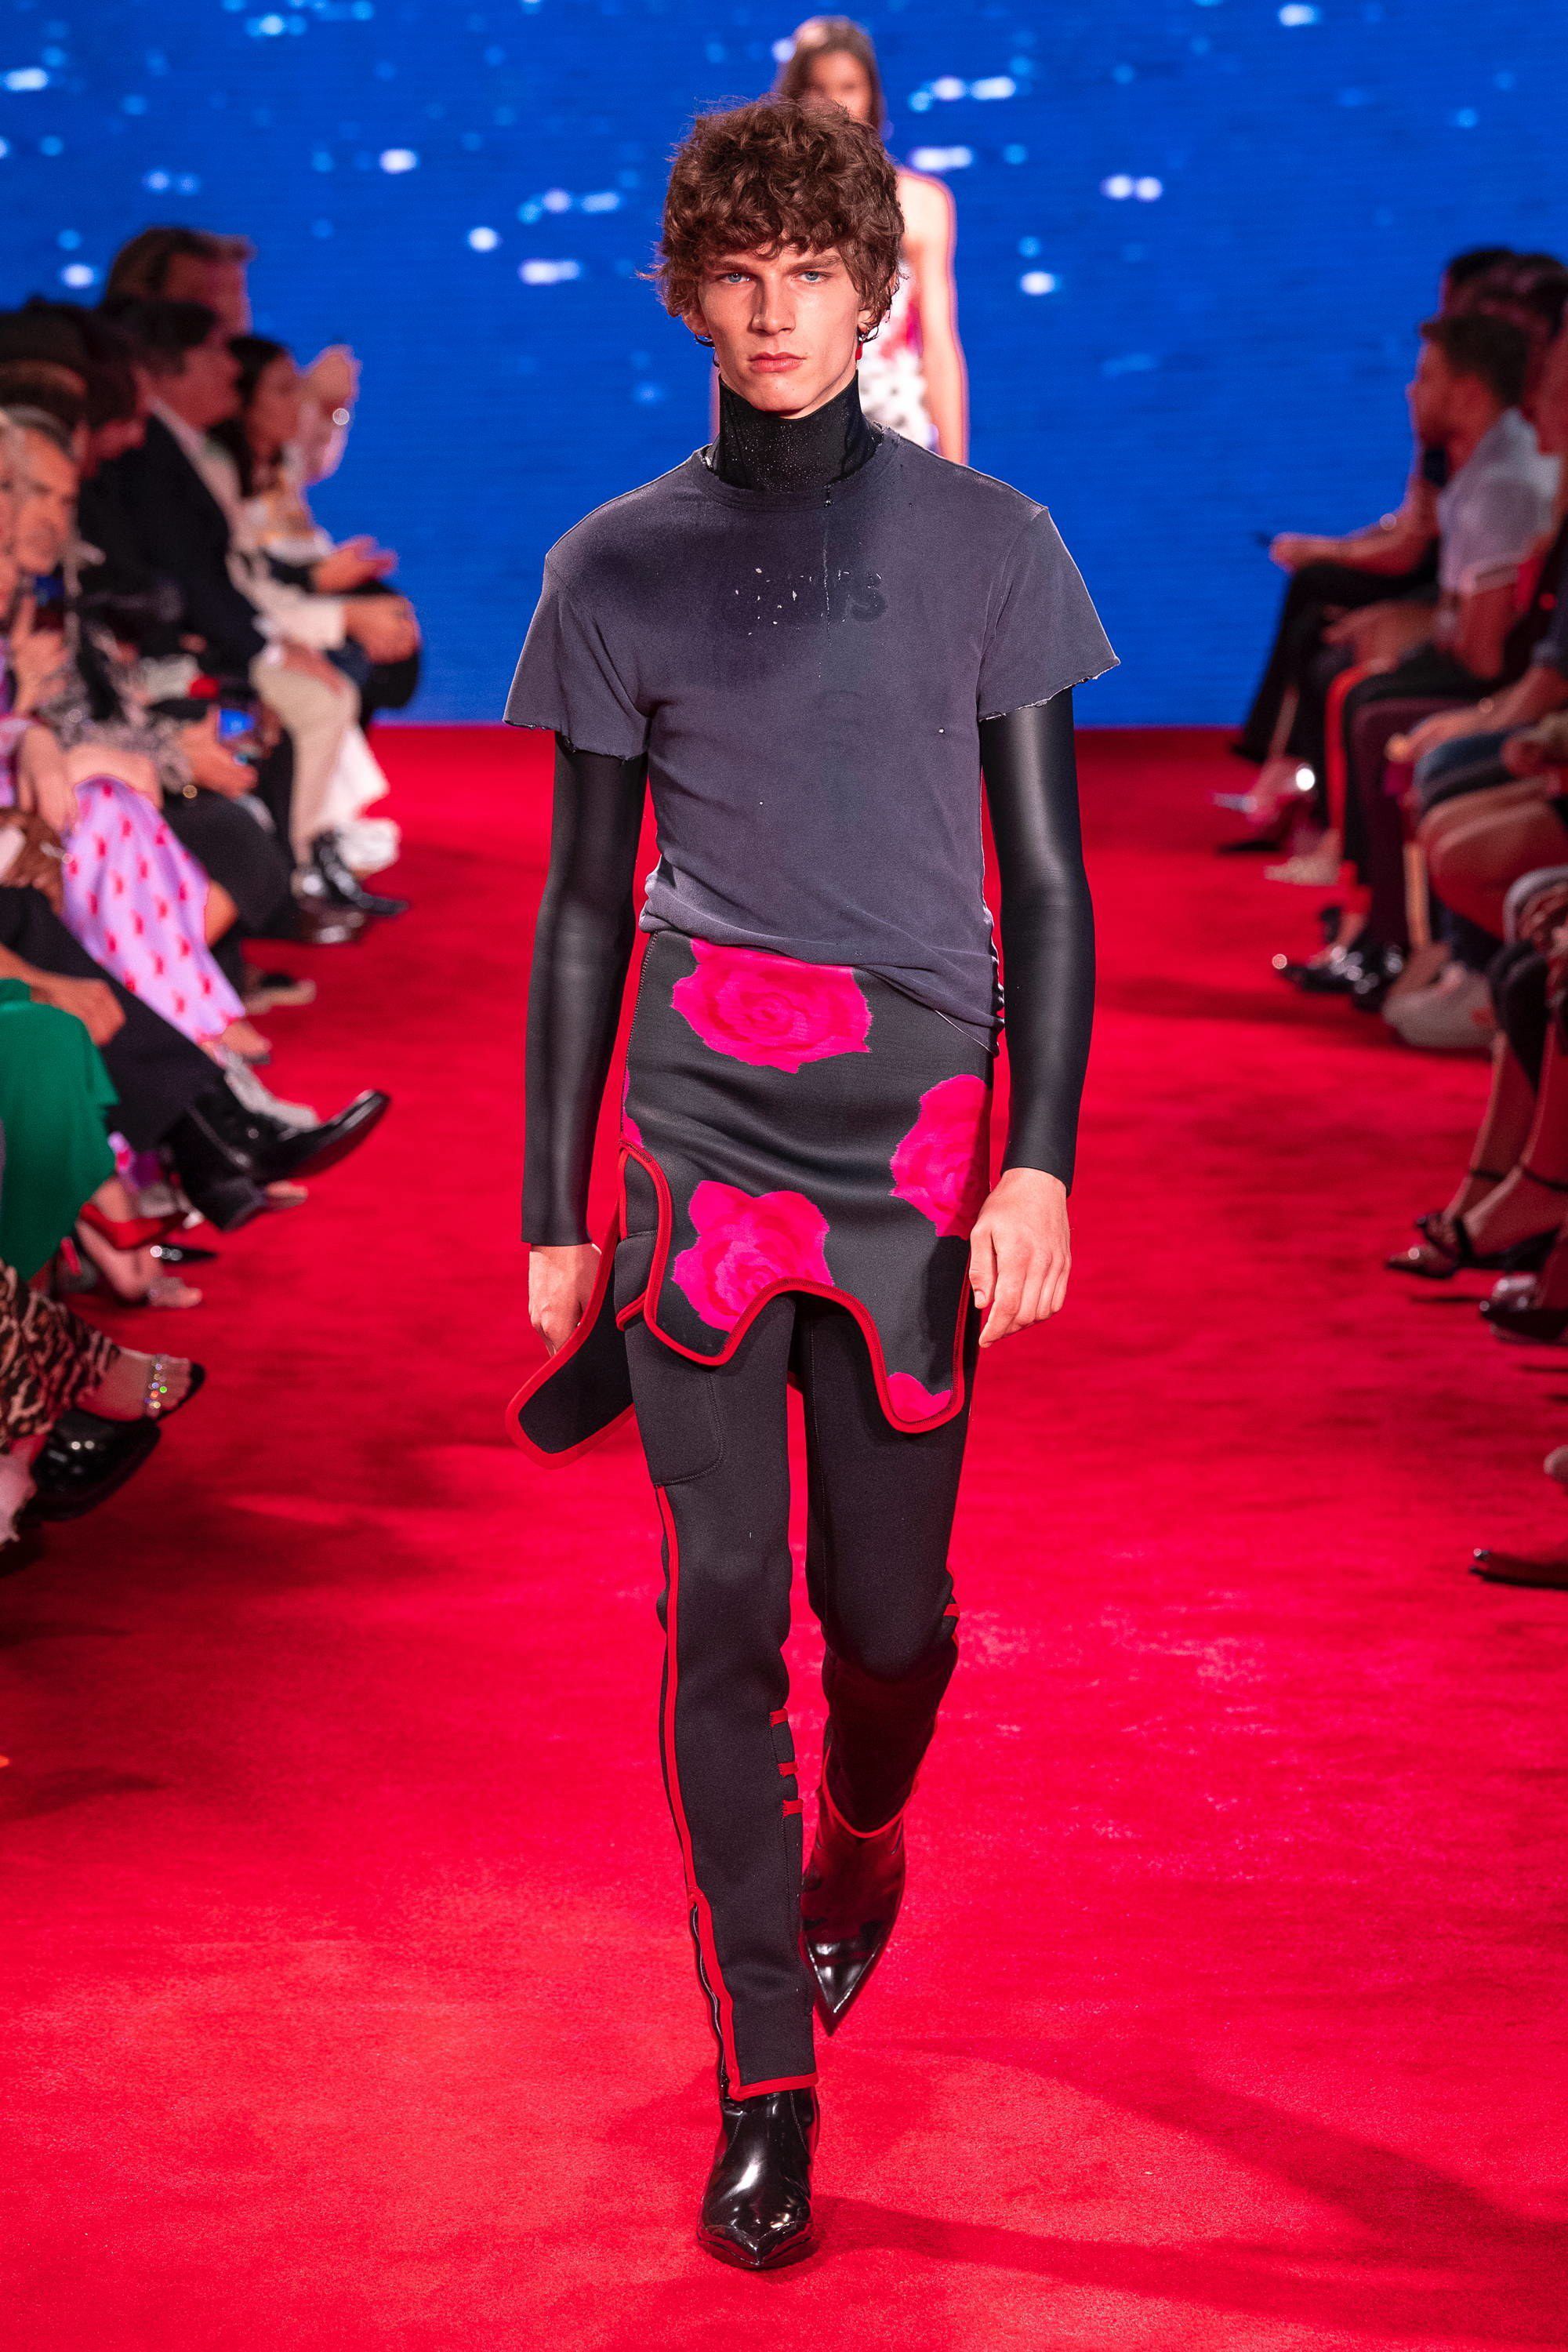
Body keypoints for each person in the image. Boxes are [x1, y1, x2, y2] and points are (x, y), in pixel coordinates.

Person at [505, 96, 1112, 2267]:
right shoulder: (611, 565)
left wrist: (1037, 1161)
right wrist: (554, 1210)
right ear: (689, 294)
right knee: (726, 1603)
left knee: (891, 1627)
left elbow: (1049, 886)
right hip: (700, 1134)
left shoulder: (994, 543)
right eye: (738, 276)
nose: (774, 314)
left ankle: (863, 1836)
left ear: (876, 292)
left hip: (920, 1144)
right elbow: (585, 906)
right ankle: (769, 2077)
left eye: (812, 274)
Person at [775, 17, 967, 461]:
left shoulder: (921, 203)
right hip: (799, 426)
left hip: (899, 432)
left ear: (872, 95)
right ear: (796, 96)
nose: (834, 104)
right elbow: (736, 345)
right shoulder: (770, 205)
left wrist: (958, 474)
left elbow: (938, 344)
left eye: (848, 87)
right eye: (818, 88)